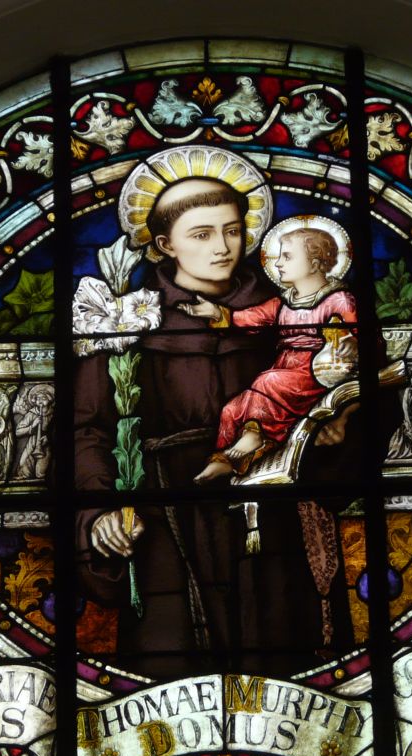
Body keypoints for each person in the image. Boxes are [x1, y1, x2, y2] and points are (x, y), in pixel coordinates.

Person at [74, 169, 356, 678]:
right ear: (165, 245)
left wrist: (338, 430)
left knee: (280, 648)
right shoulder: (126, 319)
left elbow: (346, 385)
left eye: (232, 231)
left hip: (271, 511)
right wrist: (99, 510)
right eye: (202, 234)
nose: (223, 247)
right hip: (165, 512)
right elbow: (88, 428)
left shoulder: (292, 310)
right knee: (169, 660)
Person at [181, 225, 357, 482]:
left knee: (269, 380)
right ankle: (227, 461)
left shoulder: (339, 300)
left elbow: (360, 337)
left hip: (315, 372)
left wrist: (351, 343)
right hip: (286, 370)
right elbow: (251, 318)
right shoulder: (283, 302)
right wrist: (216, 312)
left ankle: (252, 439)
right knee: (232, 409)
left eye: (287, 256)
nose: (279, 263)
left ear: (314, 263)